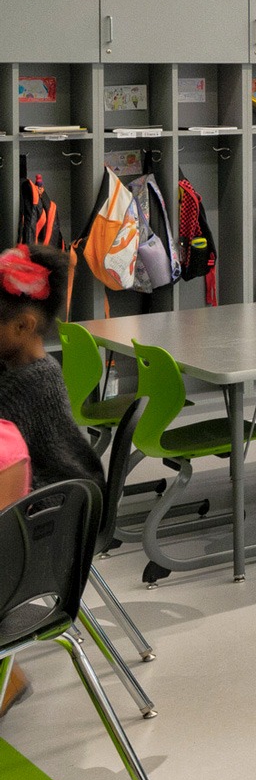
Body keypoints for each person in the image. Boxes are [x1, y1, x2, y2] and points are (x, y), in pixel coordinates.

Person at [0, 243, 101, 722]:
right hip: (43, 513)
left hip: (51, 532)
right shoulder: (16, 368)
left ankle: (10, 676)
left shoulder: (29, 385)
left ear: (24, 327)